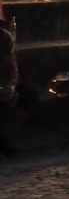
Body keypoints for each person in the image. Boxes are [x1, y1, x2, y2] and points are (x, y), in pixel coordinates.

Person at [0, 20, 38, 156]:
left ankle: (3, 136)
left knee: (28, 94)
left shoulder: (3, 36)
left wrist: (9, 87)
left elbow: (11, 68)